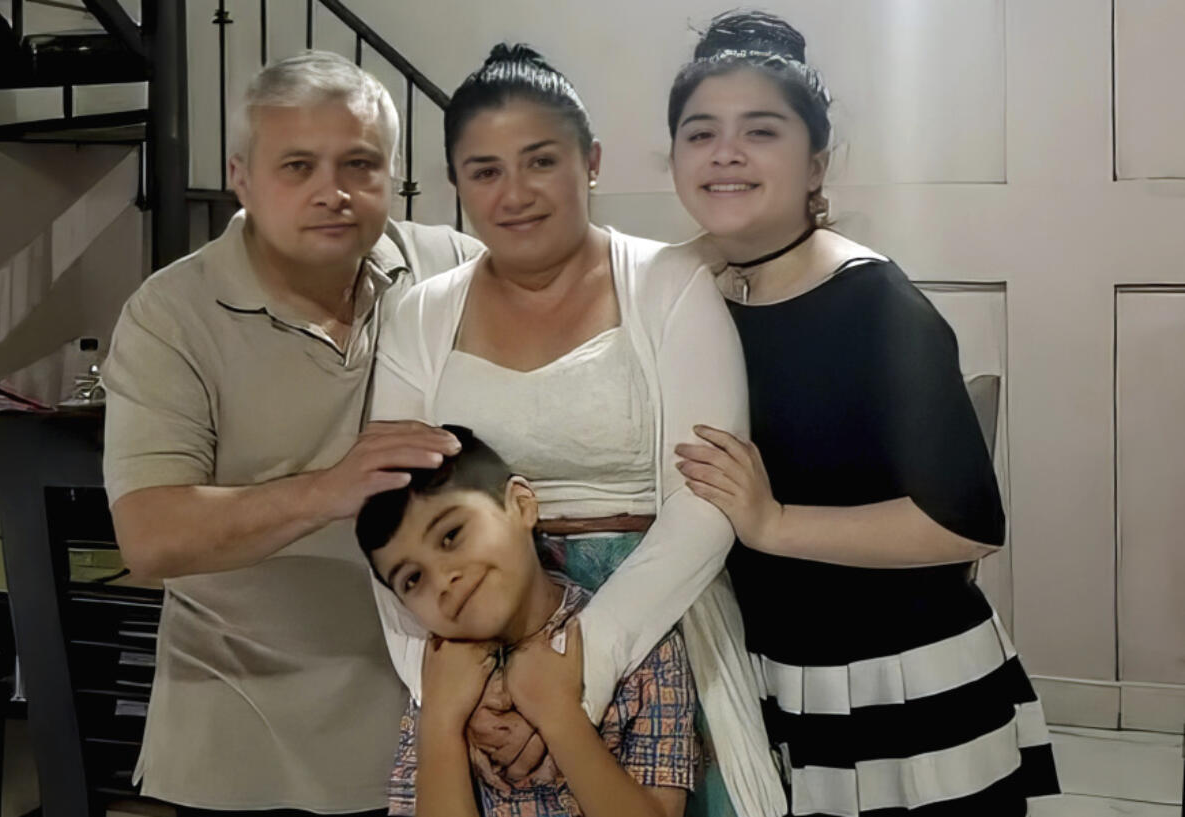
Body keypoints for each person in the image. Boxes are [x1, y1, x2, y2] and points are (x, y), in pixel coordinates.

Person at [370, 44, 784, 817]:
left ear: (589, 161)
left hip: (653, 619)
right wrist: (453, 689)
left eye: (540, 161)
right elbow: (385, 517)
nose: (514, 193)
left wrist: (579, 671)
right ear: (457, 184)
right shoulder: (417, 314)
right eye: (484, 171)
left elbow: (709, 498)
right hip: (470, 628)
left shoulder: (670, 282)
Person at [667, 11, 1061, 816]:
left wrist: (772, 522)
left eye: (760, 131)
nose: (725, 153)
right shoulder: (704, 293)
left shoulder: (872, 300)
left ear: (816, 163)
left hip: (901, 678)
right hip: (774, 675)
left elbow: (967, 523)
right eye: (700, 133)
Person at [102, 51, 482, 816]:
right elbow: (149, 537)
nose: (331, 192)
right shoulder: (169, 313)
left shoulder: (445, 267)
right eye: (298, 165)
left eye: (360, 164)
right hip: (246, 738)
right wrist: (331, 489)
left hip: (442, 721)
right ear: (241, 175)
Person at [356, 426, 697, 817]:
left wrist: (559, 714)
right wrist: (440, 722)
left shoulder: (645, 650)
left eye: (451, 535)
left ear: (520, 505)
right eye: (413, 579)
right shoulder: (438, 675)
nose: (444, 581)